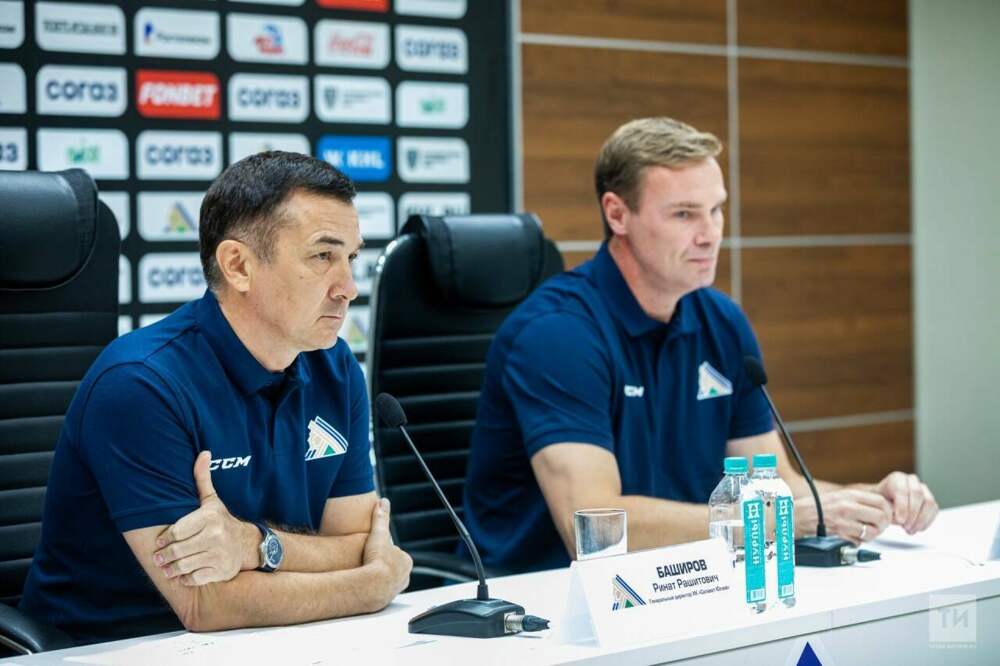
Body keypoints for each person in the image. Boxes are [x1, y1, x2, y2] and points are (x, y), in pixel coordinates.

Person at [462, 117, 938, 573]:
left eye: (716, 210)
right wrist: (785, 519)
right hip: (544, 598)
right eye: (685, 214)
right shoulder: (556, 334)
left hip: (682, 579)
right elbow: (593, 528)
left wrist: (872, 500)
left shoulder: (721, 321)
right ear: (617, 214)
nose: (710, 235)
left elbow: (777, 486)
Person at [20, 152, 411, 643]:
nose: (349, 288)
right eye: (322, 257)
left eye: (350, 258)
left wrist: (253, 545)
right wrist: (370, 587)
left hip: (275, 639)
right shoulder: (139, 383)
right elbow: (206, 603)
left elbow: (360, 543)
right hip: (111, 649)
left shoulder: (334, 367)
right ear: (238, 266)